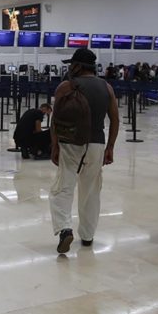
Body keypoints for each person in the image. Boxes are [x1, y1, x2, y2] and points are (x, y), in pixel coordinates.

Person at [50, 48, 119, 253]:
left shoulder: (66, 86)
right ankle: (87, 236)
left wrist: (54, 145)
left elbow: (55, 120)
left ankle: (64, 229)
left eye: (72, 64)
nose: (70, 67)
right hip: (97, 144)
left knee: (63, 186)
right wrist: (111, 147)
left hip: (70, 143)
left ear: (78, 66)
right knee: (90, 191)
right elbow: (114, 119)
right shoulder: (107, 88)